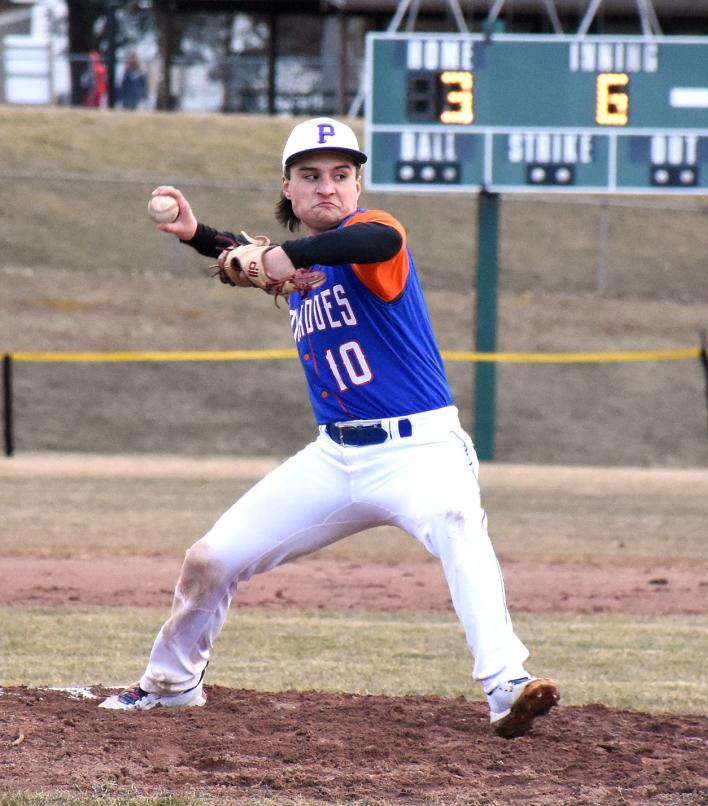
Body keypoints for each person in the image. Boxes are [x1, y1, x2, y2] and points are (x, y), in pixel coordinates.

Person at [98, 117, 560, 738]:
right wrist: (199, 235)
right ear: (287, 189)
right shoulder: (297, 265)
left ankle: (506, 683)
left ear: (358, 185)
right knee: (210, 558)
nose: (327, 188)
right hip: (333, 458)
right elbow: (253, 257)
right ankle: (172, 684)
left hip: (420, 449)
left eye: (342, 175)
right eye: (310, 176)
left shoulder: (377, 235)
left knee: (457, 526)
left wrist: (279, 256)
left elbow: (354, 247)